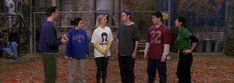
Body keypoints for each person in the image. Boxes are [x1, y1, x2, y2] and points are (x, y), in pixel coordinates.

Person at [38, 6, 67, 83]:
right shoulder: (48, 26)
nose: (58, 14)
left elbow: (51, 40)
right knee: (50, 77)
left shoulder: (47, 25)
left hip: (48, 53)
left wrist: (60, 38)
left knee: (50, 76)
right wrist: (61, 42)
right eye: (57, 12)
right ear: (52, 13)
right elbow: (50, 42)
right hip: (49, 54)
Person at [144, 12, 171, 83]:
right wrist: (145, 51)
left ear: (159, 18)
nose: (152, 19)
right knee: (150, 76)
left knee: (162, 76)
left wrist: (164, 54)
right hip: (151, 56)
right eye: (152, 18)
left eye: (154, 18)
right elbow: (148, 41)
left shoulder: (165, 29)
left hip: (160, 56)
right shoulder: (150, 28)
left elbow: (166, 43)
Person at [117, 9, 140, 83]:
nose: (122, 17)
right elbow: (118, 38)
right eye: (122, 16)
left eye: (123, 15)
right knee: (122, 72)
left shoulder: (134, 26)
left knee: (130, 72)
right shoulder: (121, 25)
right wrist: (117, 48)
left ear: (128, 16)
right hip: (121, 53)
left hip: (129, 54)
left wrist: (135, 52)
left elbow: (136, 40)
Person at [175, 16, 198, 83]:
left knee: (185, 75)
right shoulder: (180, 31)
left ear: (180, 23)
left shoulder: (184, 31)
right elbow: (182, 42)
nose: (175, 22)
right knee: (179, 73)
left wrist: (191, 50)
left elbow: (195, 40)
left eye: (176, 21)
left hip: (186, 56)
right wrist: (179, 50)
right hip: (182, 55)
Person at [65, 17, 89, 83]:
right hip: (73, 56)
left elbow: (86, 43)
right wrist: (68, 54)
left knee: (82, 72)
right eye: (81, 23)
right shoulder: (71, 32)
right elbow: (68, 44)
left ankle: (82, 81)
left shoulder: (84, 32)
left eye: (82, 23)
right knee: (72, 72)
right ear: (76, 24)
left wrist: (87, 52)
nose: (82, 25)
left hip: (82, 55)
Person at [91, 14, 113, 83]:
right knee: (99, 69)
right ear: (100, 21)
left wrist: (106, 50)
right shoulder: (96, 31)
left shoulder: (108, 29)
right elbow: (94, 43)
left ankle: (104, 81)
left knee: (105, 69)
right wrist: (102, 51)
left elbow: (110, 40)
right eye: (104, 19)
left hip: (106, 53)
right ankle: (98, 81)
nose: (106, 20)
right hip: (98, 54)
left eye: (106, 19)